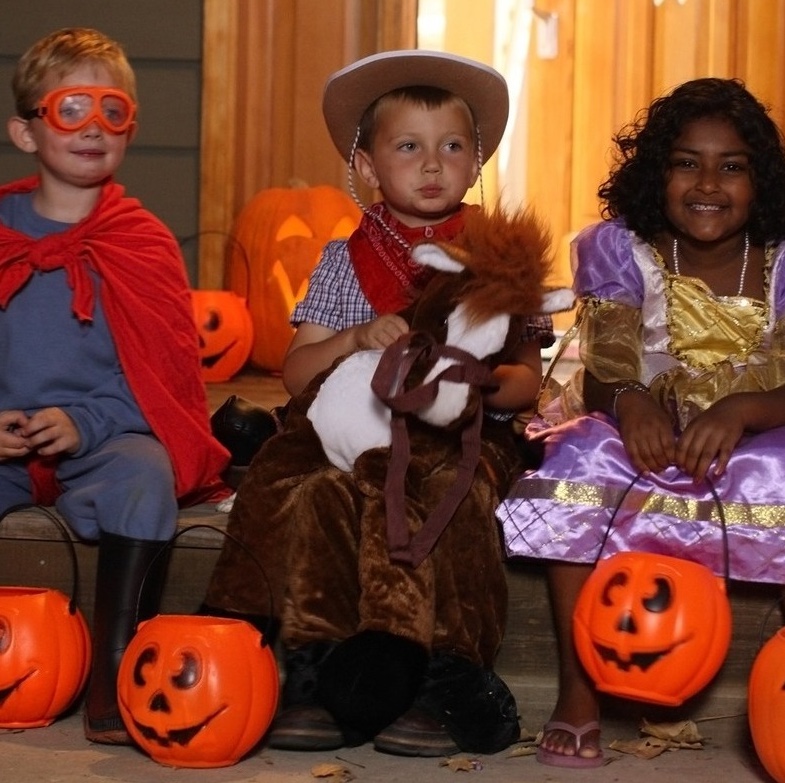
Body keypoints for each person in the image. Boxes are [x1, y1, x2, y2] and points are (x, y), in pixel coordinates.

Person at [202, 50, 555, 756]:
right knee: (315, 495)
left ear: (476, 162)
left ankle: (447, 675)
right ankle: (316, 666)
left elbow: (526, 377)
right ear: (366, 168)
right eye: (408, 147)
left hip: (460, 434)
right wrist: (356, 337)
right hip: (351, 431)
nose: (432, 164)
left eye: (451, 146)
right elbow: (301, 373)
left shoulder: (495, 255)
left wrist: (480, 387)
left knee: (449, 497)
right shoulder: (345, 257)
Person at [497, 77, 785, 768]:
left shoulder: (780, 261)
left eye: (732, 166)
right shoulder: (620, 249)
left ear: (760, 178)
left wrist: (741, 408)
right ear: (655, 173)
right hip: (645, 432)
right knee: (579, 456)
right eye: (686, 162)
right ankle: (576, 691)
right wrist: (628, 400)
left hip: (760, 435)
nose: (707, 183)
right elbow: (606, 365)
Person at [0, 28, 229, 745]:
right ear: (27, 132)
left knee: (146, 473)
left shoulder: (143, 240)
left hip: (103, 436)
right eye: (72, 109)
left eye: (114, 111)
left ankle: (117, 661)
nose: (95, 128)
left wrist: (87, 422)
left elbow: (164, 378)